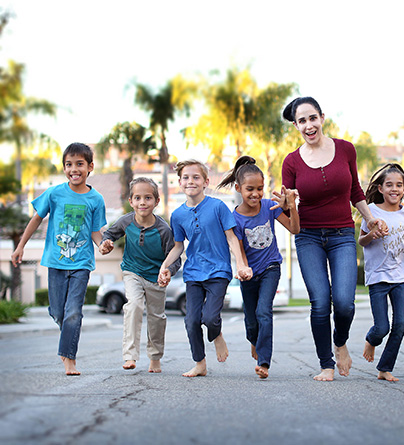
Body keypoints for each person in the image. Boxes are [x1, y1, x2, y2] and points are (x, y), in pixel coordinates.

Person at [281, 96, 387, 381]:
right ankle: (326, 364)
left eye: (312, 118)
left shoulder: (345, 150)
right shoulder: (291, 162)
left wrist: (369, 218)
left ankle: (340, 342)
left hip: (342, 234)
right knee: (320, 302)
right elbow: (288, 209)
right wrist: (286, 203)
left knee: (344, 303)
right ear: (296, 126)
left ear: (322, 118)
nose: (308, 125)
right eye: (302, 121)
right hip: (308, 237)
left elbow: (355, 190)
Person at [11, 142, 107, 376]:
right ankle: (66, 334)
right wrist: (21, 246)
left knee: (73, 312)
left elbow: (95, 231)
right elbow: (36, 219)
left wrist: (102, 244)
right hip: (55, 262)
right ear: (64, 167)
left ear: (90, 167)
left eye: (80, 164)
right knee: (59, 313)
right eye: (69, 164)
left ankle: (69, 359)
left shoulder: (96, 199)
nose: (74, 169)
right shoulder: (54, 193)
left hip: (81, 263)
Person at [158, 159, 252, 377]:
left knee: (210, 318)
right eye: (186, 177)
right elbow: (178, 247)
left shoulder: (218, 207)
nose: (191, 181)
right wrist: (164, 266)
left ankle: (216, 334)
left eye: (196, 177)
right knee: (191, 320)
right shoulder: (178, 215)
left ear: (206, 182)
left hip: (218, 270)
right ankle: (200, 363)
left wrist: (240, 263)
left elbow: (232, 237)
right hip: (193, 273)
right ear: (180, 182)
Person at [217, 156, 300, 379]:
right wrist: (243, 269)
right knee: (251, 322)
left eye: (260, 188)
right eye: (250, 189)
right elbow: (240, 250)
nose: (256, 194)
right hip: (249, 274)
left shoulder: (268, 207)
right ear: (238, 188)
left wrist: (292, 207)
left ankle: (264, 362)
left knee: (264, 311)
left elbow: (294, 229)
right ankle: (254, 341)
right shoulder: (235, 218)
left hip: (271, 268)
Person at [99, 177, 181, 373]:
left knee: (156, 317)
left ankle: (155, 357)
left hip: (156, 277)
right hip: (132, 271)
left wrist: (168, 271)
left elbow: (175, 256)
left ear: (156, 201)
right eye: (137, 198)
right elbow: (109, 235)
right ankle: (130, 356)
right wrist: (106, 243)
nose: (142, 202)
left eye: (148, 198)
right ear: (131, 201)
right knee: (134, 305)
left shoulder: (163, 229)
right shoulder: (126, 221)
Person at [359, 163, 404, 382]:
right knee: (382, 327)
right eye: (390, 185)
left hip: (400, 276)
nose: (395, 189)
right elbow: (362, 240)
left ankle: (385, 368)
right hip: (377, 276)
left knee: (401, 324)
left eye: (399, 185)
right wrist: (372, 234)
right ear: (381, 188)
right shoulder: (372, 210)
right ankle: (371, 339)